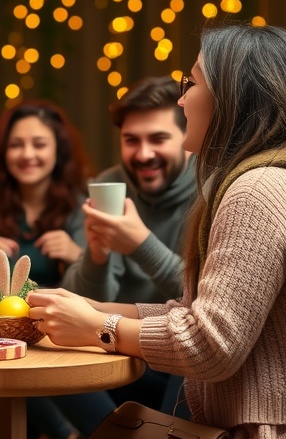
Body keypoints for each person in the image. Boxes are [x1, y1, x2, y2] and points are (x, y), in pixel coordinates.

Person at [28, 23, 286, 439]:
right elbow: (192, 310)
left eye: (190, 83)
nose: (180, 98)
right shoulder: (254, 180)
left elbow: (212, 344)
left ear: (229, 95)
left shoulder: (257, 190)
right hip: (248, 434)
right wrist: (93, 311)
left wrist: (105, 328)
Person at [0, 99, 117, 439]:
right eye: (17, 144)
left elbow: (97, 296)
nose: (27, 154)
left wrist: (76, 254)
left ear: (58, 151)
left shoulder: (76, 207)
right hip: (0, 334)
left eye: (39, 144)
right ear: (4, 151)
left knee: (42, 340)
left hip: (55, 331)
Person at [62, 76, 197, 413]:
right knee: (52, 337)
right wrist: (96, 255)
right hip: (120, 348)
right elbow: (86, 300)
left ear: (187, 139)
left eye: (158, 139)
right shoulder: (110, 184)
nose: (143, 153)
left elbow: (205, 302)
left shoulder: (211, 188)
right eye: (131, 140)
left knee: (189, 365)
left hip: (181, 357)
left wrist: (141, 245)